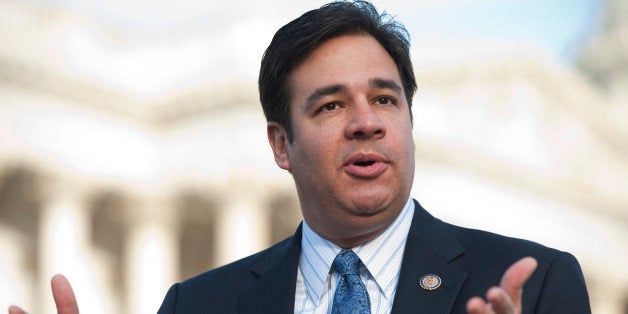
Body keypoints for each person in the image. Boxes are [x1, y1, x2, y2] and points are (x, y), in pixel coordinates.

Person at [9, 1, 590, 313]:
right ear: (280, 145)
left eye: (385, 99)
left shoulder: (535, 287)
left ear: (409, 121)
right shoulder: (198, 305)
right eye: (332, 106)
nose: (366, 122)